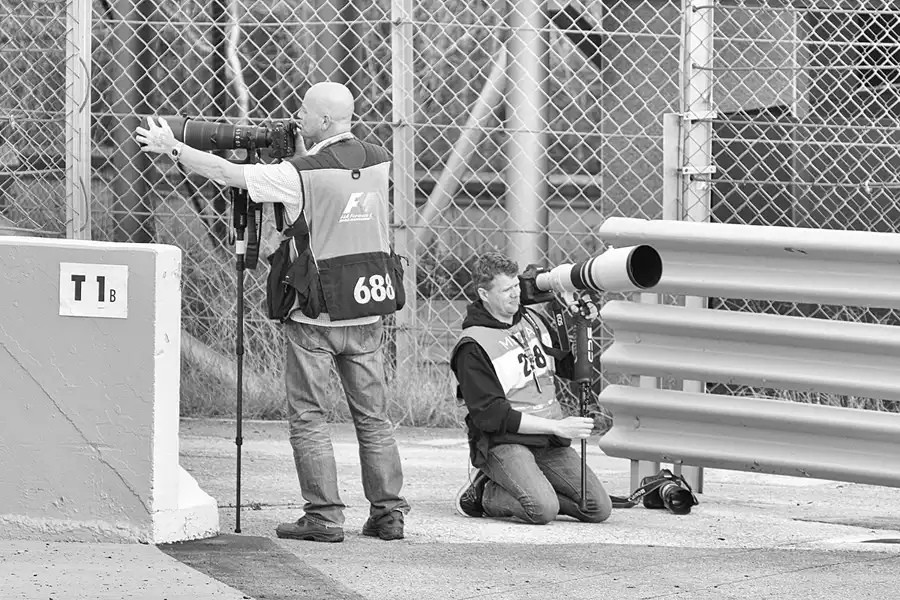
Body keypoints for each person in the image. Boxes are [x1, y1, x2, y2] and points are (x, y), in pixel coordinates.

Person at [134, 81, 410, 543]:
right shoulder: (380, 158)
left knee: (309, 416)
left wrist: (173, 147)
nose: (297, 118)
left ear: (322, 120)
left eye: (304, 113)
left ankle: (323, 517)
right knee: (373, 417)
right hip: (368, 306)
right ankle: (388, 514)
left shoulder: (297, 173)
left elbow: (227, 173)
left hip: (315, 312)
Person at [449, 252, 613, 524]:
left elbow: (570, 369)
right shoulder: (473, 346)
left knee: (597, 508)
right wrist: (558, 427)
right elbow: (492, 417)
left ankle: (530, 485)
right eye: (506, 290)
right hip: (503, 442)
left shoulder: (533, 321)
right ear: (484, 294)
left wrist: (583, 328)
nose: (516, 295)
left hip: (547, 442)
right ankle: (485, 493)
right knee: (542, 510)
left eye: (516, 286)